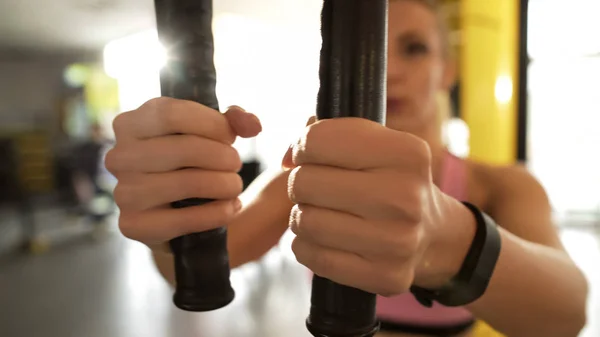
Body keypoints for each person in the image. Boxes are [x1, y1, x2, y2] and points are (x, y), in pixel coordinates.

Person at [104, 0, 588, 336]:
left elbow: (566, 316)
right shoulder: (313, 174)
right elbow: (209, 260)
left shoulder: (501, 184)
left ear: (448, 70)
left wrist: (449, 236)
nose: (388, 69)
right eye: (379, 47)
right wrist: (178, 215)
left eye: (414, 47)